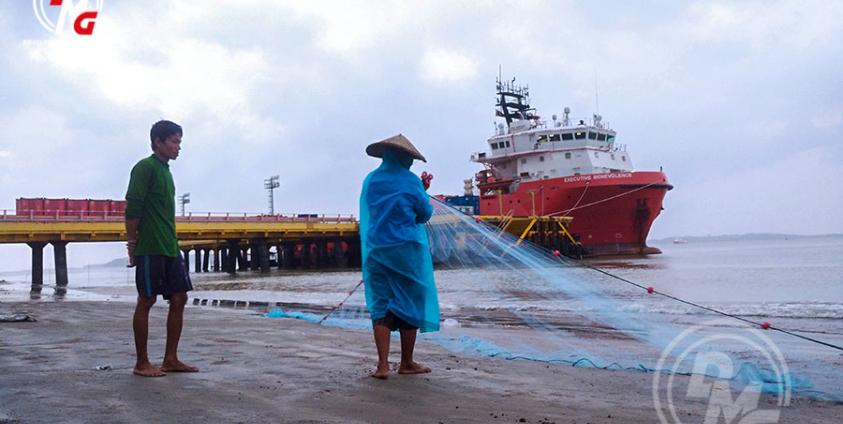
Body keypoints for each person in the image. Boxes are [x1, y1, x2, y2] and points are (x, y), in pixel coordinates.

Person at [359, 134, 440, 380]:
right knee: (410, 302)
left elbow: (372, 211)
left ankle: (382, 366)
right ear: (404, 157)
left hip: (377, 249)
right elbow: (423, 214)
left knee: (381, 304)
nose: (412, 163)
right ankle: (406, 362)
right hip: (407, 251)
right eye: (410, 159)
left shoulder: (371, 180)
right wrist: (422, 191)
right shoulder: (411, 181)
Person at [125, 120, 198, 377]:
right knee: (147, 299)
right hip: (150, 246)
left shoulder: (166, 171)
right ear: (158, 142)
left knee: (180, 297)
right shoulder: (145, 167)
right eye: (174, 141)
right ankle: (141, 363)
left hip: (169, 246)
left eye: (179, 142)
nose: (178, 147)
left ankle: (171, 359)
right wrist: (132, 243)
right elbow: (133, 207)